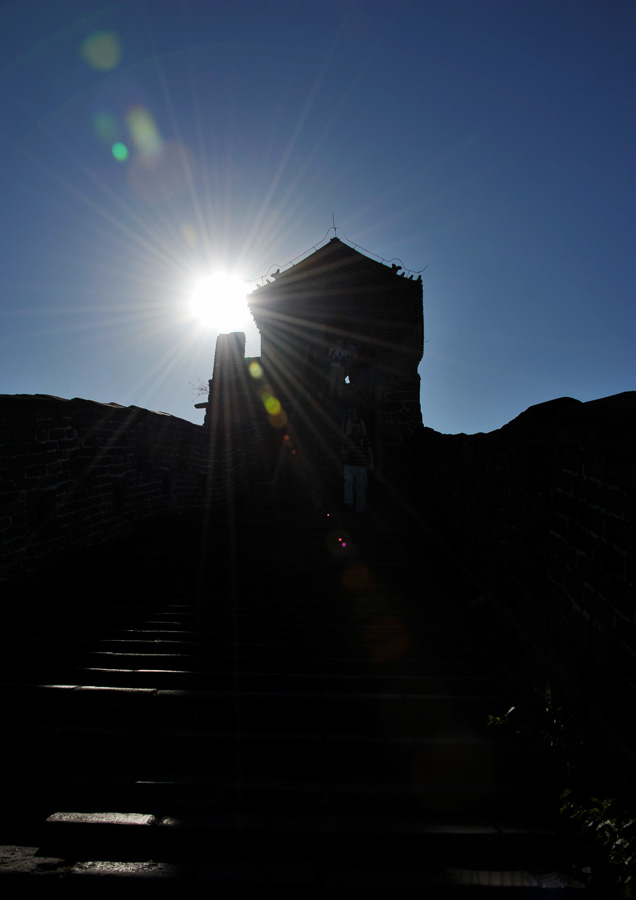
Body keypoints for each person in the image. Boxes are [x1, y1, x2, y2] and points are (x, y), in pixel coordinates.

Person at [341, 408, 373, 512]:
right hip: (350, 464)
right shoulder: (347, 434)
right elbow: (343, 449)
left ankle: (359, 509)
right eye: (354, 428)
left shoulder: (364, 438)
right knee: (348, 482)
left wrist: (371, 462)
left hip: (360, 465)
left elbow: (369, 450)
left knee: (361, 487)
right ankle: (349, 502)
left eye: (357, 428)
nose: (355, 430)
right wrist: (345, 453)